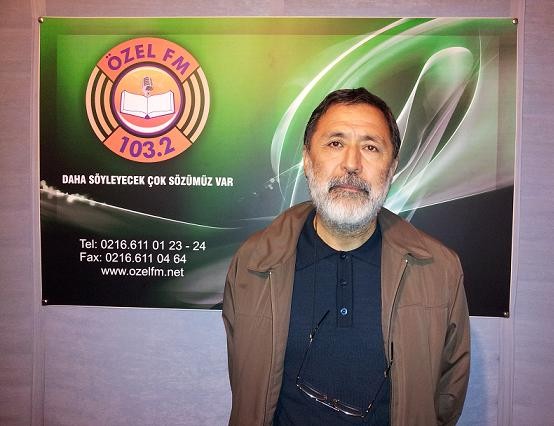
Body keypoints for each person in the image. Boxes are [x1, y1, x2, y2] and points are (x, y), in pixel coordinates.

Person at [222, 88, 470, 426]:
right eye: (335, 143)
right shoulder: (253, 263)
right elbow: (246, 385)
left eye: (370, 147)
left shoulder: (439, 270)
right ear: (307, 159)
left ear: (392, 168)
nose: (352, 164)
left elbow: (445, 398)